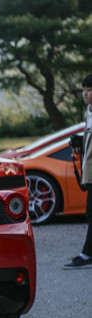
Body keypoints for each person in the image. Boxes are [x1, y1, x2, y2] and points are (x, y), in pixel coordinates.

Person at [64, 73, 92, 269]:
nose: (85, 94)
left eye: (89, 90)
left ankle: (87, 254)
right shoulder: (89, 112)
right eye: (84, 90)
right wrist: (80, 145)